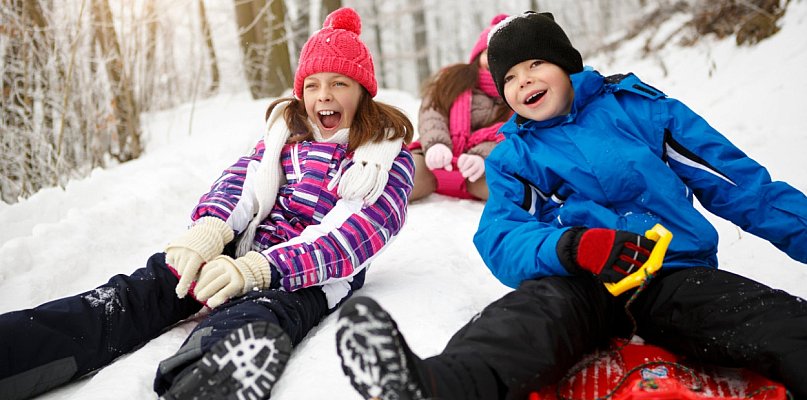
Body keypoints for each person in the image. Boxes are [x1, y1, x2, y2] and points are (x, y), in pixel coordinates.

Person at [334, 11, 807, 400]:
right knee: (525, 320)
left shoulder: (643, 111)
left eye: (535, 64)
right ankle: (437, 386)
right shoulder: (515, 155)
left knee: (768, 318)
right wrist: (573, 247)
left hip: (674, 273)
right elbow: (501, 233)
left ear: (567, 64)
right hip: (582, 281)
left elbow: (744, 187)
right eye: (511, 78)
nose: (524, 82)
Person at [0, 8, 414, 400]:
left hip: (309, 277)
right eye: (312, 85)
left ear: (363, 91)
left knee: (261, 312)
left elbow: (349, 239)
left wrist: (260, 270)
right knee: (144, 289)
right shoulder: (285, 137)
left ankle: (211, 374)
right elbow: (242, 182)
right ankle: (19, 347)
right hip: (247, 244)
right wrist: (210, 229)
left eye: (338, 83)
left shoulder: (385, 159)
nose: (323, 95)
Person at [409, 14, 512, 201]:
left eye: (504, 55)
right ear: (478, 54)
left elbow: (511, 135)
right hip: (432, 159)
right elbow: (433, 110)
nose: (495, 59)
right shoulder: (453, 78)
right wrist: (435, 143)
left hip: (479, 170)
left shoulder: (515, 95)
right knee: (402, 177)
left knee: (512, 193)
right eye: (490, 52)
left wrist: (483, 157)